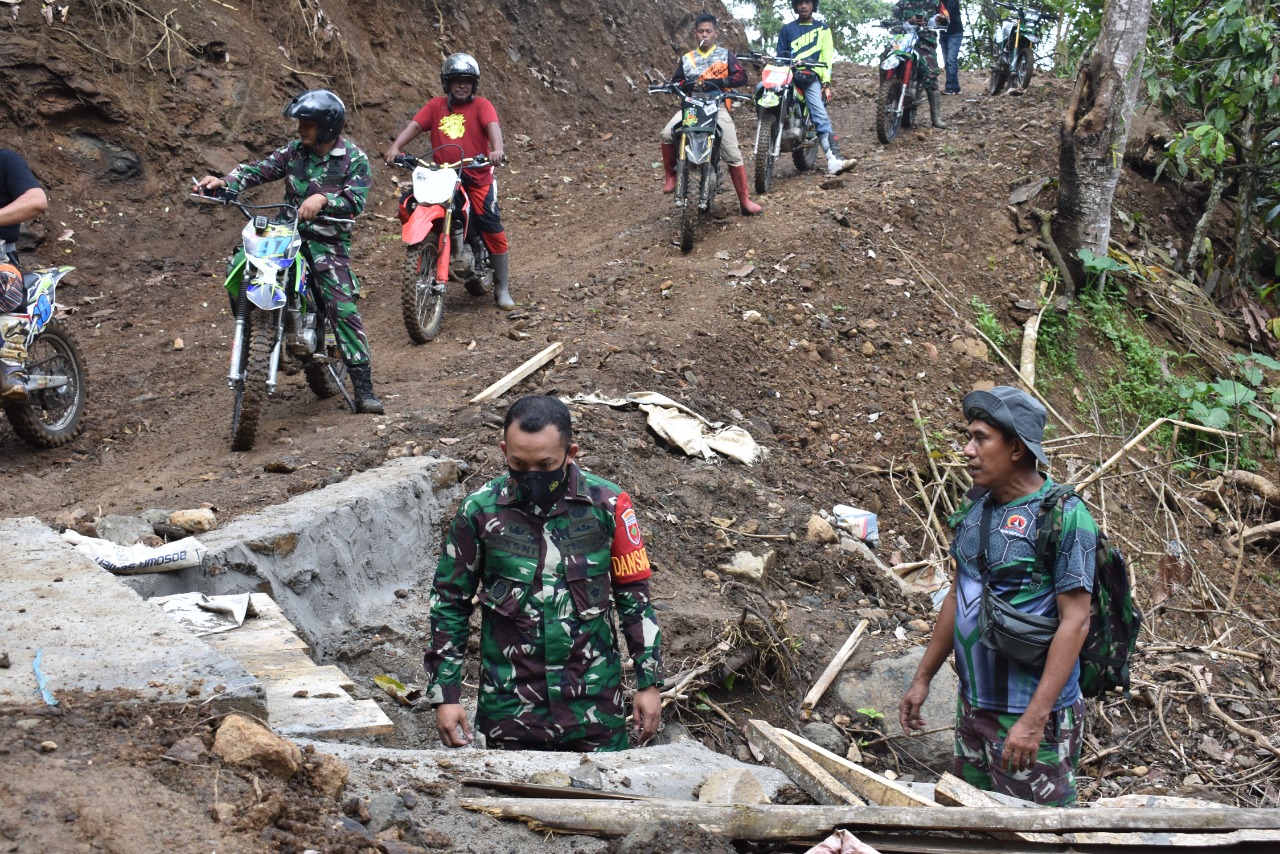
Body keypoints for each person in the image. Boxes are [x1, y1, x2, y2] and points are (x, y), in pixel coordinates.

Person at [423, 395, 663, 751]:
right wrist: (446, 695)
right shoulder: (480, 511)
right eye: (518, 463)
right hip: (512, 710)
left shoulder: (609, 506)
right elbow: (449, 602)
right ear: (504, 451)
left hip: (594, 709)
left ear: (570, 453)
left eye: (545, 464)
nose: (531, 475)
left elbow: (635, 599)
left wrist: (649, 682)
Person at [899, 386, 1097, 806]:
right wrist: (923, 679)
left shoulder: (1064, 516)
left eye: (981, 438)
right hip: (974, 708)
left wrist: (1034, 720)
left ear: (1017, 448)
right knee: (973, 821)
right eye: (968, 437)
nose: (967, 450)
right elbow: (957, 597)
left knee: (1036, 832)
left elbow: (1076, 621)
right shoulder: (976, 510)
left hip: (1032, 717)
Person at [196, 90, 383, 415]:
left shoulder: (354, 158)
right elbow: (259, 170)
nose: (300, 128)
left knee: (341, 306)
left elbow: (356, 199)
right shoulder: (294, 151)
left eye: (308, 123)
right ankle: (256, 324)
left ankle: (364, 387)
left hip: (327, 242)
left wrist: (324, 199)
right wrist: (225, 182)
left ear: (327, 127)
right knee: (239, 265)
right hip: (286, 232)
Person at [384, 53, 515, 311]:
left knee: (491, 225)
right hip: (443, 175)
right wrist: (396, 147)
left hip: (477, 176)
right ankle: (429, 251)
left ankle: (502, 288)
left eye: (467, 81)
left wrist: (497, 150)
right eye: (456, 80)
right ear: (447, 83)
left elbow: (493, 127)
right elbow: (415, 126)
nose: (462, 85)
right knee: (411, 204)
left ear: (474, 84)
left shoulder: (482, 106)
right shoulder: (435, 106)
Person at [658, 14, 762, 215]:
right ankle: (671, 176)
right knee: (667, 133)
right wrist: (685, 85)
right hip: (691, 106)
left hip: (717, 106)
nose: (704, 35)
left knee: (732, 150)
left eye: (708, 31)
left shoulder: (725, 55)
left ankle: (745, 200)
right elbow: (676, 81)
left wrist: (721, 82)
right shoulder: (687, 58)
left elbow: (742, 77)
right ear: (695, 33)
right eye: (700, 31)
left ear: (716, 33)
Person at [776, 0, 849, 176]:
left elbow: (827, 57)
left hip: (811, 77)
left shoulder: (823, 29)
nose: (803, 6)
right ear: (795, 5)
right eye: (800, 2)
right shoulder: (787, 29)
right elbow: (780, 56)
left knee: (819, 114)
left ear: (813, 5)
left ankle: (834, 159)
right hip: (789, 75)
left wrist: (826, 81)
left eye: (808, 2)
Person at [0, 149, 49, 400]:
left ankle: (11, 363)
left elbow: (36, 201)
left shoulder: (5, 161)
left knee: (4, 280)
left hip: (1, 256)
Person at [892, 0, 948, 129]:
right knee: (886, 58)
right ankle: (885, 96)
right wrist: (908, 22)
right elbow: (893, 20)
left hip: (925, 42)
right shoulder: (903, 2)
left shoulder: (936, 2)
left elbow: (946, 18)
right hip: (903, 40)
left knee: (930, 74)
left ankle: (936, 118)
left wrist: (939, 19)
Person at [939, 0, 963, 95]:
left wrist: (939, 17)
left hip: (955, 33)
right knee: (948, 62)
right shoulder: (937, 2)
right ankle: (955, 87)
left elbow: (948, 11)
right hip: (943, 33)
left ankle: (949, 87)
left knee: (951, 60)